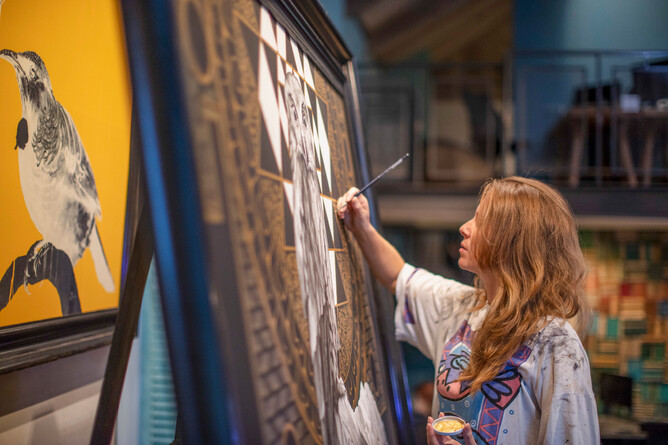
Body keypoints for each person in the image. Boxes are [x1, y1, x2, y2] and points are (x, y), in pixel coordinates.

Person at [337, 176, 600, 445]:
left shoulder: (556, 343)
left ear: (513, 242)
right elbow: (397, 277)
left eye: (481, 221)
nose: (464, 228)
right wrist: (362, 227)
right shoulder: (462, 307)